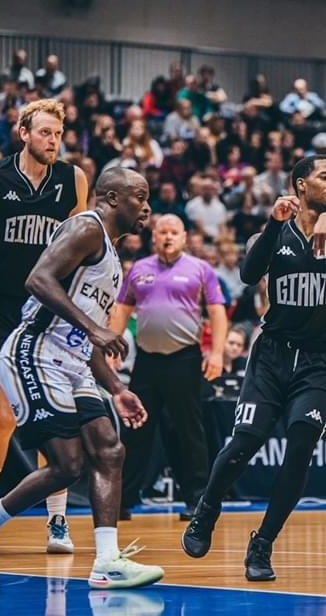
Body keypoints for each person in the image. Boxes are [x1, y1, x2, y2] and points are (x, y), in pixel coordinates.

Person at [182, 154, 326, 580]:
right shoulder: (275, 232)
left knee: (300, 445)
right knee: (245, 440)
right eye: (325, 177)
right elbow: (249, 274)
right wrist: (271, 224)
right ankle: (207, 508)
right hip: (271, 355)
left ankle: (263, 542)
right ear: (300, 185)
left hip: (319, 361)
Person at [0, 167, 164, 589]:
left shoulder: (114, 261)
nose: (146, 207)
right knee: (67, 465)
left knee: (110, 450)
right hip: (34, 351)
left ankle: (107, 562)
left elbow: (88, 341)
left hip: (74, 362)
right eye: (139, 196)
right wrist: (93, 328)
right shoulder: (87, 228)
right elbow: (38, 279)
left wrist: (117, 389)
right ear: (111, 198)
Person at [0, 99, 91, 555]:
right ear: (24, 133)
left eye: (58, 134)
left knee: (54, 415)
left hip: (45, 308)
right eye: (45, 132)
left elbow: (79, 246)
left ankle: (58, 521)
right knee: (0, 421)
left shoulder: (73, 179)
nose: (53, 141)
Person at [110, 213, 227, 521]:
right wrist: (111, 347)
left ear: (184, 237)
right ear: (154, 237)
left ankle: (197, 499)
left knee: (189, 432)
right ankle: (122, 500)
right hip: (147, 361)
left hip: (184, 359)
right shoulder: (139, 269)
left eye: (174, 232)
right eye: (163, 232)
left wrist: (216, 353)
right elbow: (122, 309)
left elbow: (217, 312)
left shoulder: (200, 269)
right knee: (136, 429)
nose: (168, 237)